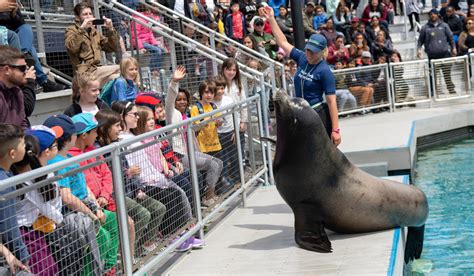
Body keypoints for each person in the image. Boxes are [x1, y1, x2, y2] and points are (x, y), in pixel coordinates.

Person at [47, 114, 119, 275]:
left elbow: (85, 186)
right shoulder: (56, 162)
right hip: (73, 212)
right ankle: (92, 272)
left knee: (113, 220)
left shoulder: (70, 157)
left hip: (86, 205)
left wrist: (95, 208)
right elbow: (67, 198)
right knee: (102, 237)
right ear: (70, 137)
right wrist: (91, 214)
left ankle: (108, 267)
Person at [264, 7, 341, 146]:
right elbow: (282, 42)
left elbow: (331, 102)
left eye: (313, 52)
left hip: (317, 114)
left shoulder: (325, 71)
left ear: (322, 52)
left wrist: (336, 130)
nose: (309, 53)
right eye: (308, 49)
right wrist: (271, 19)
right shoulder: (302, 58)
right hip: (300, 112)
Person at [95, 109, 166, 257]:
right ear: (104, 128)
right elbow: (111, 176)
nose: (120, 129)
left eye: (120, 125)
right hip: (114, 195)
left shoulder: (116, 144)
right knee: (142, 215)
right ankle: (124, 254)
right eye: (117, 126)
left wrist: (138, 188)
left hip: (129, 190)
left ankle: (142, 246)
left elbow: (128, 170)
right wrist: (127, 173)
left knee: (159, 208)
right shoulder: (99, 150)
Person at [164, 66, 224, 207]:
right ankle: (208, 198)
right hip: (179, 154)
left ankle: (209, 194)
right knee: (212, 164)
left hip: (192, 151)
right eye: (179, 100)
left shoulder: (186, 115)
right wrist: (174, 82)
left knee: (218, 163)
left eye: (184, 99)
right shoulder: (172, 114)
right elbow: (169, 100)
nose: (182, 102)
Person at [12, 126, 63, 276]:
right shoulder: (25, 180)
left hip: (33, 229)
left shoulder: (29, 176)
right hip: (24, 231)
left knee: (48, 267)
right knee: (44, 269)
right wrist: (61, 220)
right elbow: (43, 206)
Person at [0, 2, 65, 92]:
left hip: (12, 32)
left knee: (26, 28)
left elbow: (20, 24)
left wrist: (14, 14)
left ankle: (24, 55)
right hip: (5, 33)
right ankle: (43, 81)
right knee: (29, 47)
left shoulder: (9, 2)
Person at [65, 2, 120, 87]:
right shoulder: (71, 30)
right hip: (84, 73)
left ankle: (111, 100)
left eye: (90, 14)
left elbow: (112, 47)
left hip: (97, 69)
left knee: (117, 79)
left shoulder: (94, 31)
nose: (89, 17)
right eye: (85, 14)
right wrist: (82, 29)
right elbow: (72, 48)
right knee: (123, 68)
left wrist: (111, 29)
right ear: (77, 17)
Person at [0, 123, 29, 264]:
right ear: (12, 154)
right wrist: (23, 255)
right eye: (23, 145)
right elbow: (8, 225)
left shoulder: (7, 174)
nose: (26, 148)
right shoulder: (4, 184)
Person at [417, 9, 457, 95]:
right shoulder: (425, 28)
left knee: (447, 73)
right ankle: (433, 91)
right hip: (432, 55)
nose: (433, 15)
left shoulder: (444, 25)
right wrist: (419, 50)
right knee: (433, 74)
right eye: (431, 14)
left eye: (434, 14)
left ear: (438, 15)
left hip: (445, 54)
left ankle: (451, 89)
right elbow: (420, 41)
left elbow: (450, 38)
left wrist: (453, 48)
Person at [0, 45, 35, 128]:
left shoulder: (17, 92)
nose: (26, 71)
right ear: (7, 70)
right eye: (22, 68)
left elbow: (23, 125)